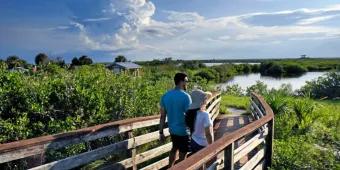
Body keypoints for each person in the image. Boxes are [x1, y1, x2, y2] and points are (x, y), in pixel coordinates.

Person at [159, 72, 192, 168]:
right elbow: (189, 116)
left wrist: (161, 132)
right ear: (181, 82)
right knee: (183, 156)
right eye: (186, 81)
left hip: (172, 130)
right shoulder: (186, 97)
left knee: (174, 149)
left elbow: (162, 116)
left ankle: (170, 167)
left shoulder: (165, 96)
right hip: (184, 131)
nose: (187, 83)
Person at [189, 90, 214, 154]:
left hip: (193, 141)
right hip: (202, 145)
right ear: (201, 101)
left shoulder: (191, 113)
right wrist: (212, 147)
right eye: (205, 99)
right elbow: (208, 134)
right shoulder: (205, 115)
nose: (206, 101)